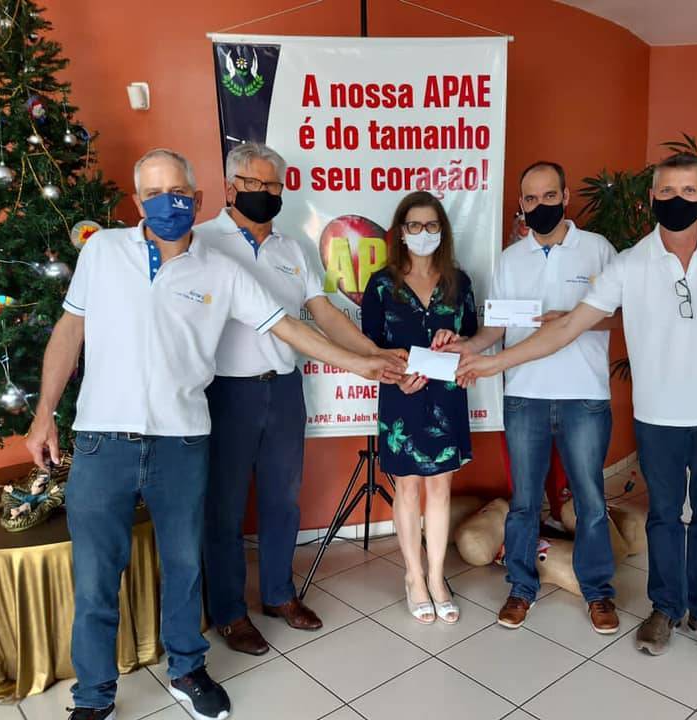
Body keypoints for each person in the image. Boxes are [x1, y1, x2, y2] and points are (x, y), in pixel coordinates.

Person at [25, 148, 404, 720]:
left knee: (184, 566)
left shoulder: (221, 271)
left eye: (177, 192)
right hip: (104, 441)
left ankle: (187, 668)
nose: (166, 203)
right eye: (153, 193)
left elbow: (290, 326)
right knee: (98, 575)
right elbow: (70, 328)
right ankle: (94, 695)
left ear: (197, 197)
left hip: (181, 441)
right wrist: (44, 410)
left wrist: (365, 363)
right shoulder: (102, 251)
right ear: (138, 202)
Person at [457, 152, 697, 667]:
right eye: (667, 192)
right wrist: (490, 363)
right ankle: (666, 608)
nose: (677, 201)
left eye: (688, 192)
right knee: (664, 519)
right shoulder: (630, 262)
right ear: (652, 197)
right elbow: (564, 328)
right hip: (659, 417)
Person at [192, 142, 406, 654]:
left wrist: (375, 352)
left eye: (274, 187)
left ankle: (278, 594)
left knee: (282, 499)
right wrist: (360, 361)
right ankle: (228, 611)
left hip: (285, 389)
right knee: (223, 508)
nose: (267, 194)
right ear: (229, 188)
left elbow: (325, 313)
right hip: (226, 391)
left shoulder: (291, 250)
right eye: (256, 184)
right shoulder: (202, 243)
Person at [437, 161, 620, 633]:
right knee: (523, 501)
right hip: (524, 395)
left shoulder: (598, 250)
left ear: (566, 197)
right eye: (531, 199)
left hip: (584, 396)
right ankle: (521, 587)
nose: (541, 206)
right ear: (521, 204)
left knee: (591, 500)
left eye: (549, 196)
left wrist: (576, 318)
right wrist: (465, 347)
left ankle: (598, 592)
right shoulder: (510, 258)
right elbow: (495, 328)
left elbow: (619, 317)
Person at [361, 191, 477, 624]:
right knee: (407, 489)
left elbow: (472, 339)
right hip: (401, 395)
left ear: (442, 231)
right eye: (414, 226)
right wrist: (394, 371)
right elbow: (370, 347)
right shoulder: (380, 283)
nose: (423, 233)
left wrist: (457, 341)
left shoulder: (458, 282)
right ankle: (413, 577)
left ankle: (437, 577)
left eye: (431, 226)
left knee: (441, 490)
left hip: (446, 397)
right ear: (401, 232)